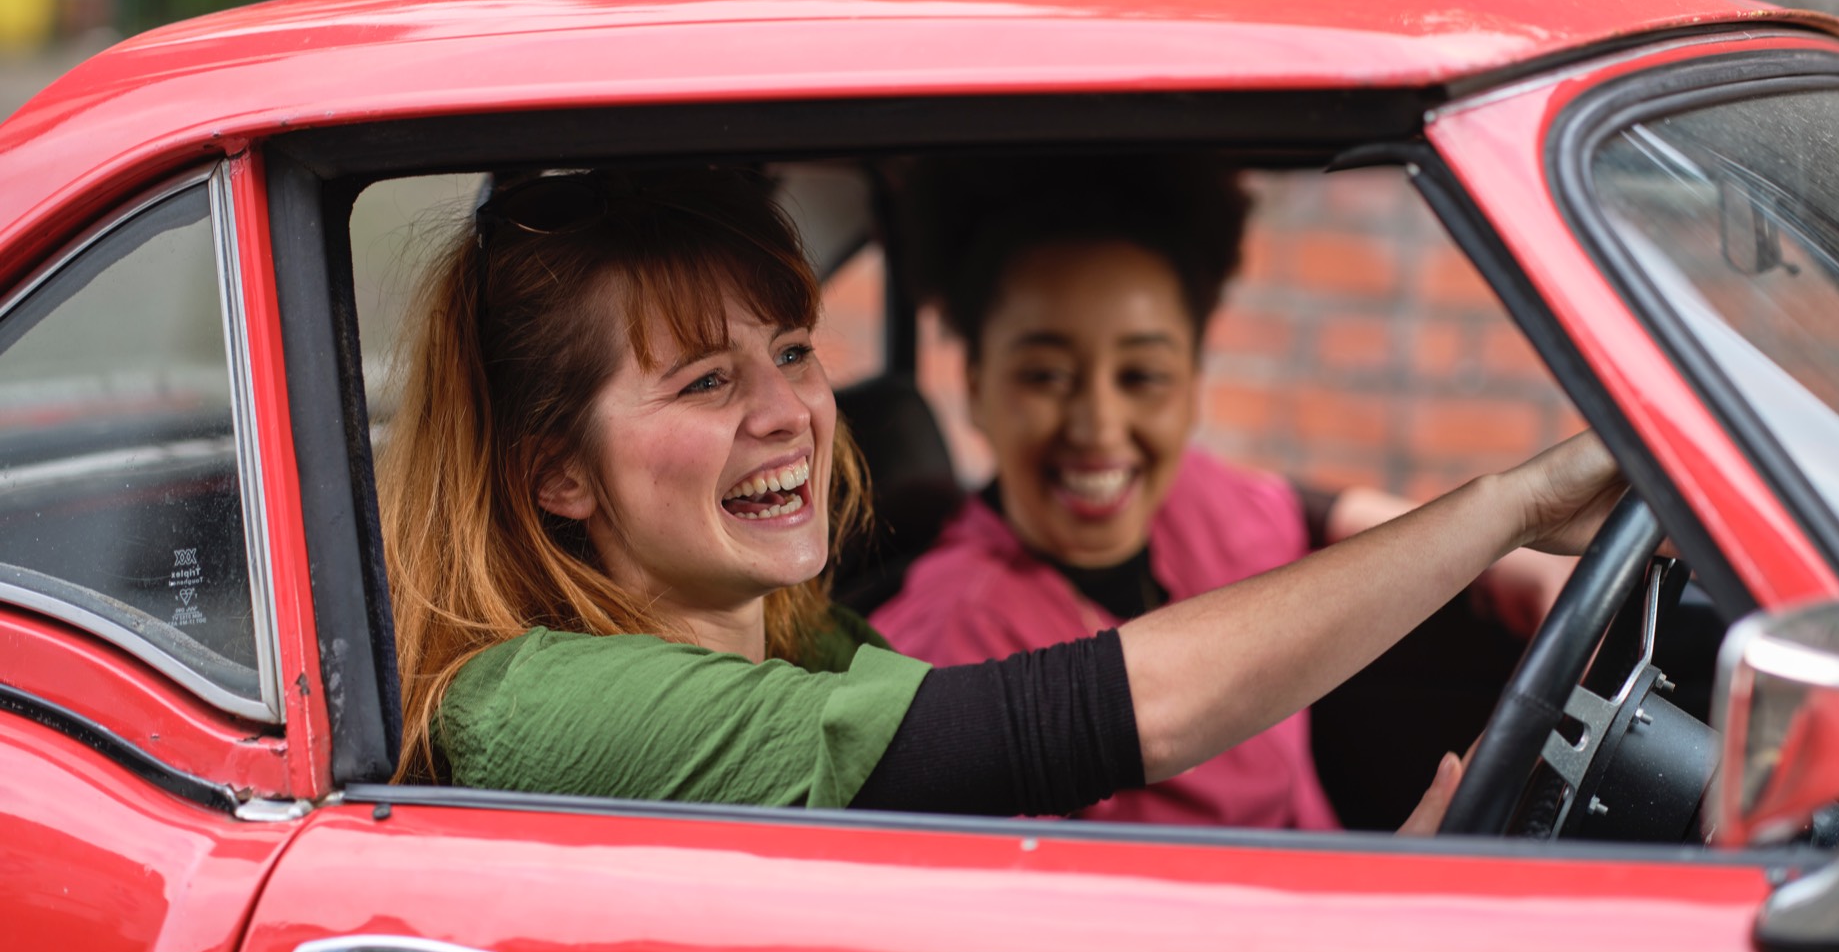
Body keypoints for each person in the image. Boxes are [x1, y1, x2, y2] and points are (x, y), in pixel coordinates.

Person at [379, 166, 1622, 830]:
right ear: (555, 467)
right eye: (707, 380)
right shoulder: (531, 704)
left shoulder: (806, 641)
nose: (787, 414)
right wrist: (1509, 500)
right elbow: (1070, 721)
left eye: (795, 351)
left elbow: (1278, 513)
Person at [872, 156, 1570, 830]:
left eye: (1142, 376)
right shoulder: (948, 655)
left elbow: (1300, 511)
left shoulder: (1198, 502)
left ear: (1193, 382)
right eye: (1045, 375)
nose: (1097, 427)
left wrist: (1508, 555)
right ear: (973, 386)